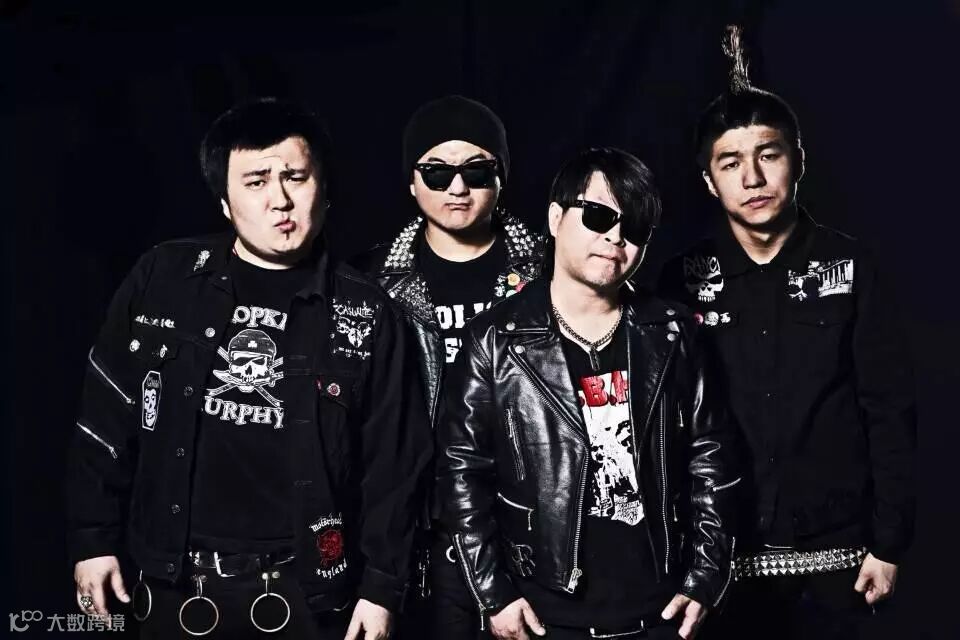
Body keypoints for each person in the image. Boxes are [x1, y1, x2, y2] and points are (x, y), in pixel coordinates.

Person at [67, 97, 431, 639]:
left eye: (295, 177)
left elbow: (396, 466)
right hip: (170, 583)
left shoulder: (369, 313)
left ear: (324, 190)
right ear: (224, 201)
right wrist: (92, 539)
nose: (279, 199)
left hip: (304, 596)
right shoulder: (163, 277)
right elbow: (105, 416)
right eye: (256, 181)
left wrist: (382, 589)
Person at [657, 27, 917, 640]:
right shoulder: (679, 281)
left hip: (839, 558)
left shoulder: (852, 268)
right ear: (709, 181)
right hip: (719, 557)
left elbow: (889, 409)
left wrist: (890, 542)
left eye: (768, 156)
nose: (752, 178)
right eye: (730, 163)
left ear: (798, 160)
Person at [437, 147, 738, 640]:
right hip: (543, 616)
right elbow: (461, 474)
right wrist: (494, 595)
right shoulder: (493, 341)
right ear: (556, 219)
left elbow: (712, 458)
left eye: (634, 227)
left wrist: (706, 580)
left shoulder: (673, 332)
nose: (615, 236)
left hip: (659, 614)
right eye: (598, 216)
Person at [353, 95, 543, 639]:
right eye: (437, 172)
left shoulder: (550, 269)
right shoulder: (370, 282)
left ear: (501, 177)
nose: (457, 187)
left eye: (476, 171)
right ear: (412, 182)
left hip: (529, 516)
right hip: (420, 525)